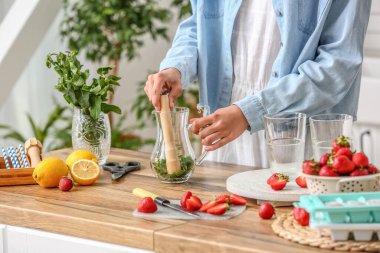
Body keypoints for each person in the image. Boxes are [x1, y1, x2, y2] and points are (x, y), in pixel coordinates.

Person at [144, 0, 372, 167]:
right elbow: (200, 24)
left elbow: (339, 64)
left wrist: (249, 112)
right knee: (220, 230)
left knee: (293, 229)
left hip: (301, 137)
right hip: (224, 127)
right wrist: (175, 67)